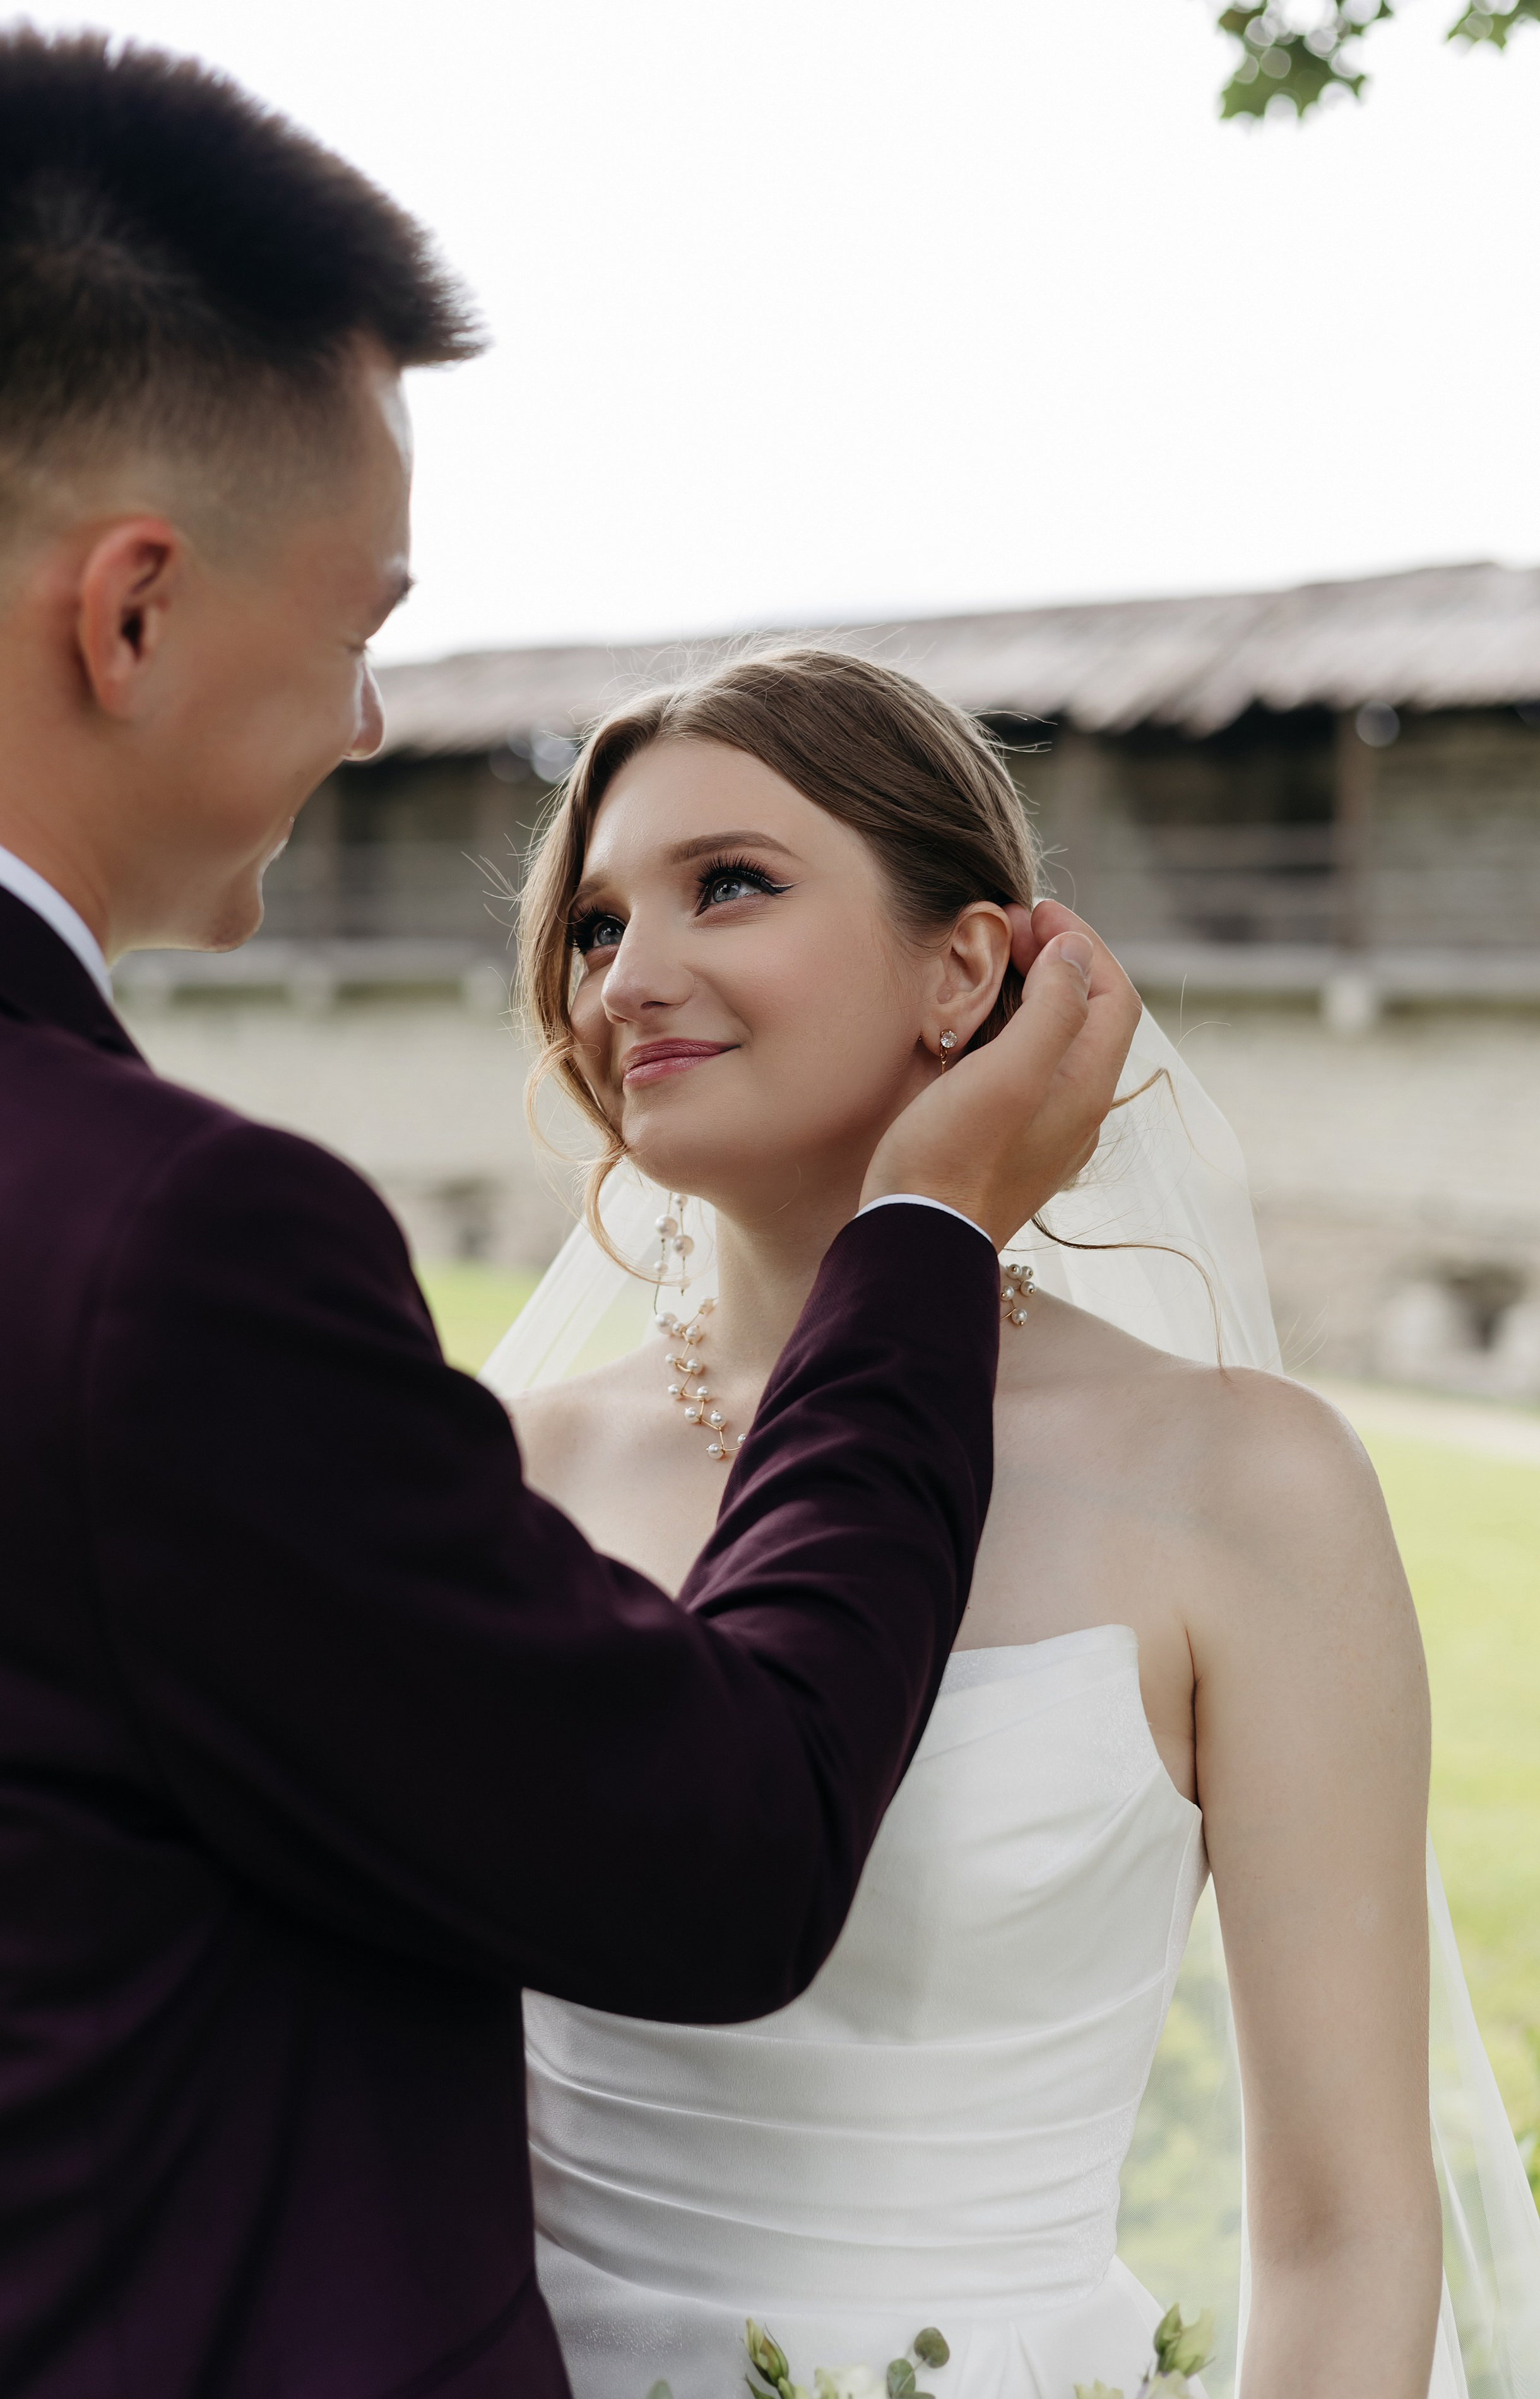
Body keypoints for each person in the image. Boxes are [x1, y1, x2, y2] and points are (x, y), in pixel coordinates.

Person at [0, 30, 1140, 2399]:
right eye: (366, 618)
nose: (371, 720)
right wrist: (924, 1242)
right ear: (134, 612)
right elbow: (724, 1846)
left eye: (733, 887)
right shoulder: (166, 1246)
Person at [502, 645, 1536, 2399]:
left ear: (965, 964)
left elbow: (1347, 2222)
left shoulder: (1242, 1483)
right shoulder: (507, 1470)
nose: (631, 980)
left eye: (727, 885)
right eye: (596, 925)